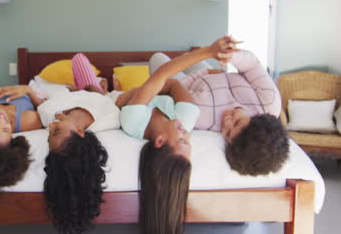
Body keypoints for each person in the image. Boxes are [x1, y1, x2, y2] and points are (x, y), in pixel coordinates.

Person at [120, 36, 238, 234]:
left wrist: (210, 50)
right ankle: (198, 62)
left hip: (179, 81)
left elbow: (166, 76)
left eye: (182, 139)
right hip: (202, 83)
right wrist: (146, 90)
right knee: (197, 72)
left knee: (158, 58)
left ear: (160, 141)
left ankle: (193, 57)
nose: (187, 133)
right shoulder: (186, 119)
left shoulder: (133, 123)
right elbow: (173, 83)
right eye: (188, 140)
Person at [150, 48, 289, 176]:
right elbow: (252, 65)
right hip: (220, 77)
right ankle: (193, 56)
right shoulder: (269, 100)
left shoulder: (201, 114)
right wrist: (230, 56)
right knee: (191, 55)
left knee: (157, 58)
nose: (227, 121)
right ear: (256, 118)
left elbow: (173, 88)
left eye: (227, 133)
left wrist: (204, 73)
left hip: (197, 85)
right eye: (237, 121)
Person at [39, 53, 121, 234]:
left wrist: (72, 98)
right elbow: (107, 101)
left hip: (77, 91)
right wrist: (97, 90)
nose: (51, 126)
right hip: (100, 94)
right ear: (80, 132)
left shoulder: (47, 112)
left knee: (78, 61)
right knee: (80, 62)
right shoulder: (110, 119)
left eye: (50, 133)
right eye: (56, 131)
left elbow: (54, 99)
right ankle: (100, 85)